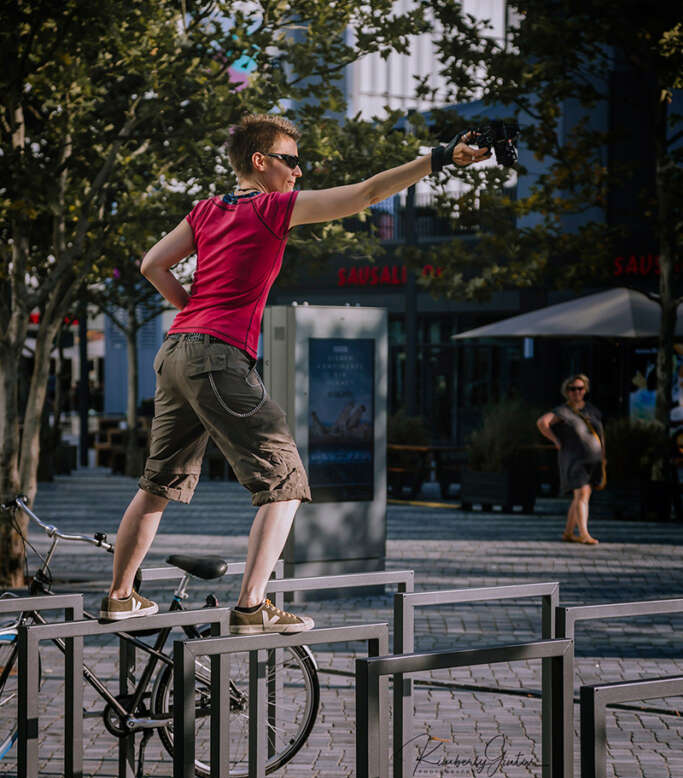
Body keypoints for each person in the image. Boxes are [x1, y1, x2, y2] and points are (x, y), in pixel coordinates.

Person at [99, 113, 490, 629]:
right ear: (260, 162)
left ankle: (120, 596)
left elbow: (153, 264)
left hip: (175, 352)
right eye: (291, 161)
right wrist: (437, 159)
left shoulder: (206, 210)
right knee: (286, 481)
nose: (298, 173)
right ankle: (251, 607)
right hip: (218, 354)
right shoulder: (271, 208)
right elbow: (366, 194)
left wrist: (192, 306)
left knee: (157, 484)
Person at [536, 373, 605, 545]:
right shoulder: (563, 411)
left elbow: (601, 434)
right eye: (572, 389)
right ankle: (584, 534)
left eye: (580, 388)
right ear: (566, 391)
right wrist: (556, 440)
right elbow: (542, 423)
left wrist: (603, 457)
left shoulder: (592, 410)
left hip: (593, 459)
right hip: (574, 460)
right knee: (581, 493)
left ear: (585, 390)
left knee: (582, 496)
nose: (576, 392)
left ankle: (568, 532)